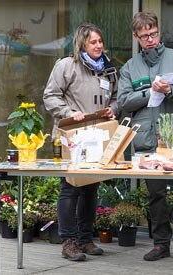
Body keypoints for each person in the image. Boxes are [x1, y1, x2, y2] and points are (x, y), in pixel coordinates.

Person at [117, 11, 173, 266]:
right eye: (144, 36)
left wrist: (171, 90)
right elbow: (123, 101)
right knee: (155, 196)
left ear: (159, 31)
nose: (150, 39)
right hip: (146, 140)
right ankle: (161, 244)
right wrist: (148, 92)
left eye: (153, 34)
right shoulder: (130, 67)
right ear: (136, 37)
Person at [43, 23, 119, 261]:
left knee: (91, 187)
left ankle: (85, 239)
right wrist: (67, 112)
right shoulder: (67, 65)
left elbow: (117, 96)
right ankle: (68, 241)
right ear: (82, 44)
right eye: (93, 42)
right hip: (73, 135)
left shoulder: (108, 68)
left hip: (97, 135)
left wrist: (112, 109)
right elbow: (50, 95)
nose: (98, 46)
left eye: (100, 41)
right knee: (70, 188)